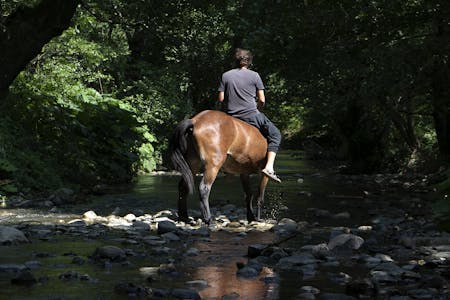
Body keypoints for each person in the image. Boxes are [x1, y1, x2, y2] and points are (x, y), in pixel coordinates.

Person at [218, 48, 282, 183]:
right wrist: (258, 110)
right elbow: (262, 100)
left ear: (236, 61)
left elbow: (221, 99)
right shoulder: (255, 76)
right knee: (276, 135)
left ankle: (227, 169)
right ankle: (269, 167)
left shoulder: (226, 75)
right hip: (251, 115)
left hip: (231, 117)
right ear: (249, 61)